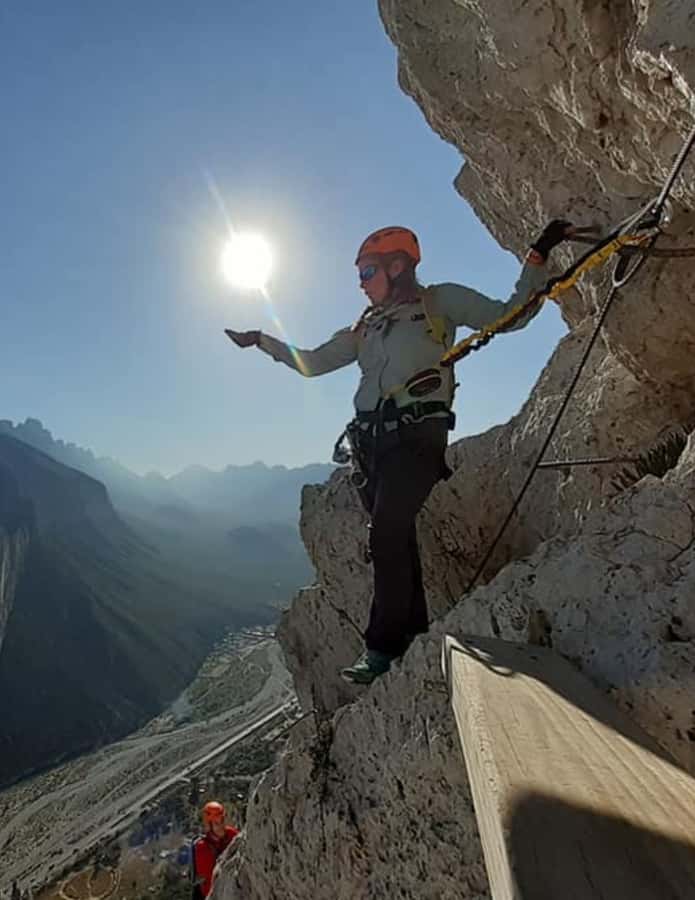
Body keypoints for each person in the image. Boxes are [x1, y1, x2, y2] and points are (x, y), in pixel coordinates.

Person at [226, 220, 573, 684]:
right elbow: (313, 363)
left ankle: (381, 647)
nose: (361, 283)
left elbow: (510, 314)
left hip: (417, 438)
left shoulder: (438, 302)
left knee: (386, 532)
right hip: (371, 447)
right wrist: (263, 342)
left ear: (396, 266)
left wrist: (536, 260)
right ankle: (413, 637)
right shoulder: (365, 327)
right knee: (396, 537)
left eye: (367, 272)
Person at [191, 801, 239, 898]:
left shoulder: (231, 834)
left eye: (222, 821)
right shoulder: (202, 848)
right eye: (217, 823)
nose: (221, 826)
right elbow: (209, 882)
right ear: (209, 826)